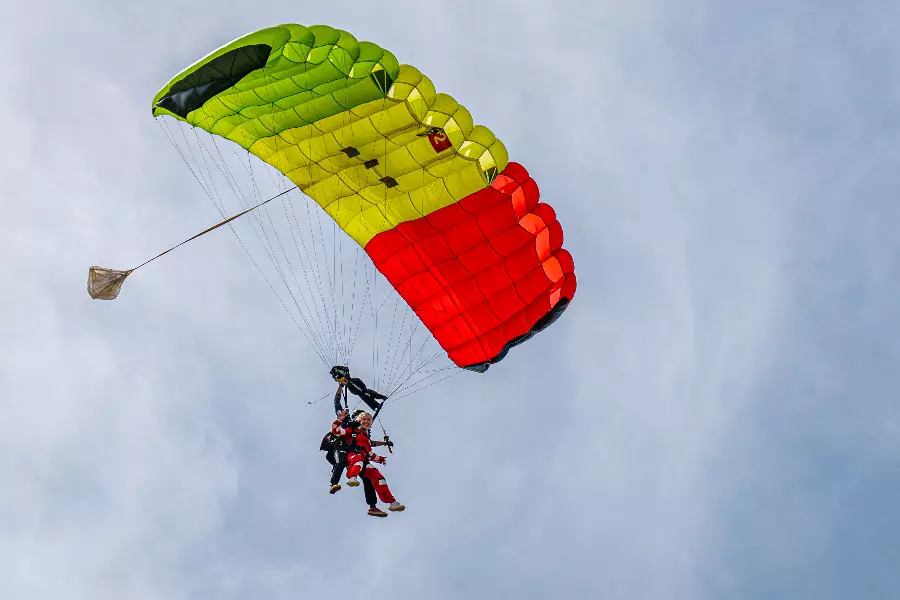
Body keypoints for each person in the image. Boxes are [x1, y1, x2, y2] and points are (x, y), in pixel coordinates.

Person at [331, 408, 405, 515]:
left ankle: (391, 502)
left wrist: (381, 459)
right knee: (358, 462)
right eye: (364, 419)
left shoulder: (366, 439)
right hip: (351, 455)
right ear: (359, 420)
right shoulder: (351, 430)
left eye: (369, 420)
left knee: (379, 478)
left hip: (363, 459)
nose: (366, 421)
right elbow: (337, 431)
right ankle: (351, 478)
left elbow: (370, 454)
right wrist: (339, 420)